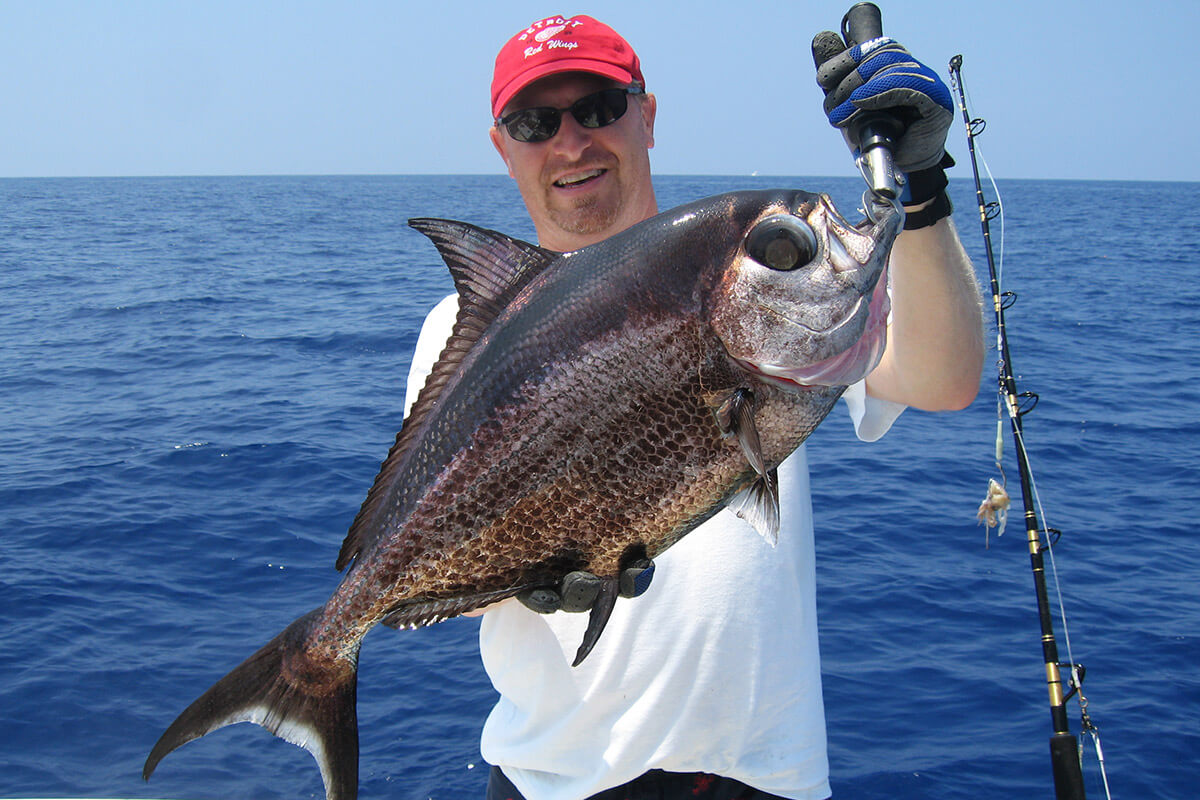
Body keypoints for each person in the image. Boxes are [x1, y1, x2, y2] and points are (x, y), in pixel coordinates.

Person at [403, 14, 984, 800]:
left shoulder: (751, 275)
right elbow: (453, 573)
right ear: (503, 148)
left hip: (765, 776)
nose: (572, 142)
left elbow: (944, 380)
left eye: (600, 107)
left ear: (647, 114)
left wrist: (921, 189)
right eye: (536, 123)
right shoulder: (460, 338)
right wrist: (525, 571)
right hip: (556, 783)